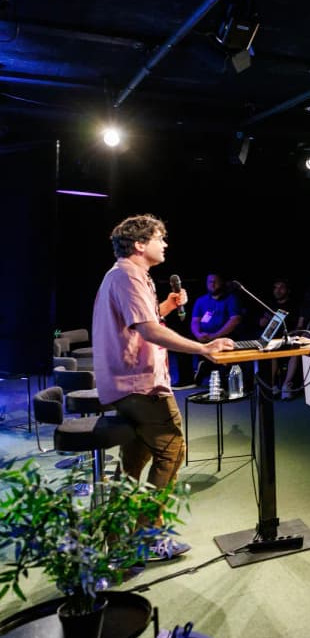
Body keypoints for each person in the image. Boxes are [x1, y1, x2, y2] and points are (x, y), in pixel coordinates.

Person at [92, 215, 235, 560]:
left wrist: (167, 307)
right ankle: (148, 535)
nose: (165, 244)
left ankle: (116, 535)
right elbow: (148, 330)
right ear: (140, 244)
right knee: (172, 450)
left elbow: (139, 319)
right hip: (138, 384)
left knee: (135, 459)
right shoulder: (127, 275)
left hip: (126, 382)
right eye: (160, 238)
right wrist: (203, 348)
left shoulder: (126, 274)